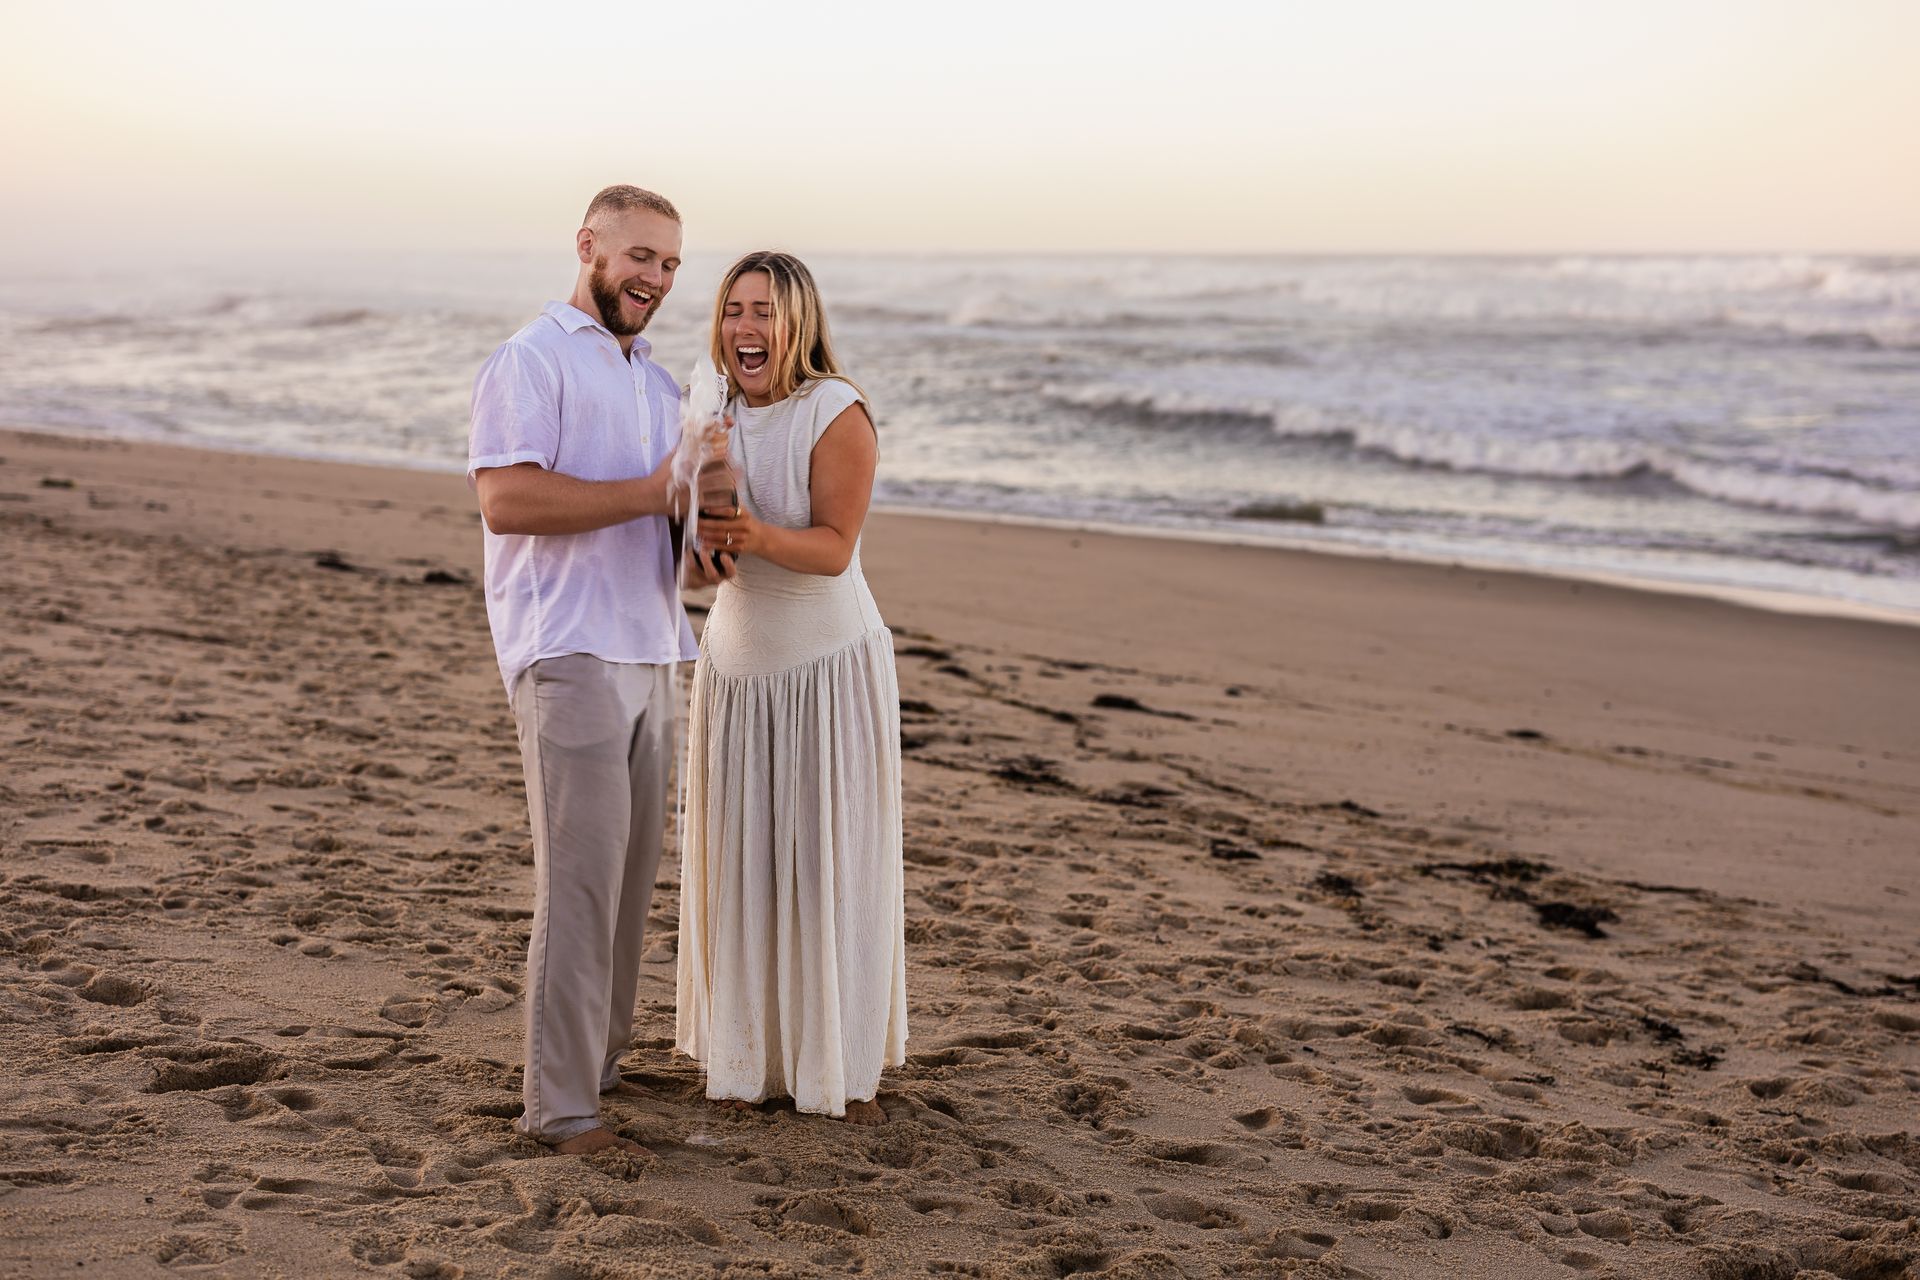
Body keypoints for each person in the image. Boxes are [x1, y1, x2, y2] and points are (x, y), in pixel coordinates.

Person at [467, 185, 726, 1155]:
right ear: (590, 246)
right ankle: (563, 1108)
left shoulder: (664, 387)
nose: (654, 278)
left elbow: (684, 549)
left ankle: (600, 1061)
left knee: (627, 883)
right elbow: (508, 499)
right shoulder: (528, 360)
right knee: (578, 885)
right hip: (565, 646)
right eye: (639, 257)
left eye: (669, 264)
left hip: (657, 646)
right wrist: (654, 488)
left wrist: (714, 522)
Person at [675, 252, 907, 1126]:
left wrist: (753, 532)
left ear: (798, 322)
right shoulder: (712, 415)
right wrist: (703, 543)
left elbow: (834, 546)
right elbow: (706, 561)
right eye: (733, 309)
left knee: (822, 866)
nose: (745, 328)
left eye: (764, 311)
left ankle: (831, 1063)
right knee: (745, 864)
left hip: (822, 670)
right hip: (734, 667)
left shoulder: (834, 412)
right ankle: (751, 1058)